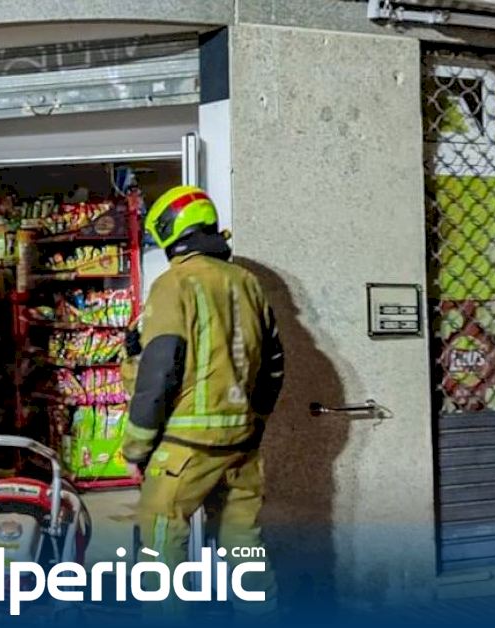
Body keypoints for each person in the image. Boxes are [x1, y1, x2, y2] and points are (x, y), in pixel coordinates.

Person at [121, 185, 284, 615]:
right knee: (243, 546)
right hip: (242, 445)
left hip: (186, 447)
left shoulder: (174, 283)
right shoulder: (248, 283)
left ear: (169, 231)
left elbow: (160, 370)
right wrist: (254, 422)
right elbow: (274, 365)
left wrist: (137, 446)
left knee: (160, 542)